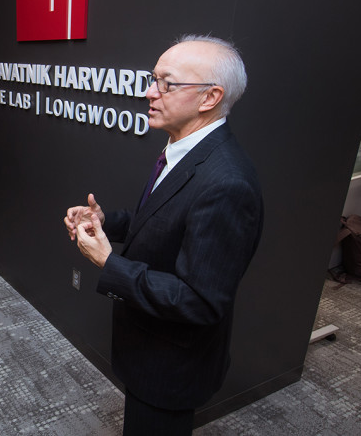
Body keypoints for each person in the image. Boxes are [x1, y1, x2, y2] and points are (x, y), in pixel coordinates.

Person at [63, 35, 263, 435]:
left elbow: (201, 301)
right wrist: (108, 221)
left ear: (209, 98)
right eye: (153, 79)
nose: (150, 92)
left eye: (167, 84)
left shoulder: (227, 183)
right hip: (149, 347)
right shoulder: (186, 149)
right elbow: (163, 222)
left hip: (171, 364)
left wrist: (108, 262)